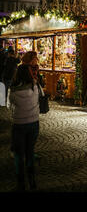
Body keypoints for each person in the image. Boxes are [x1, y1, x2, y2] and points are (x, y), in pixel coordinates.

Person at [9, 52, 41, 191]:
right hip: (34, 122)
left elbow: (10, 104)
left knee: (18, 154)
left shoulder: (13, 91)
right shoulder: (35, 87)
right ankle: (32, 180)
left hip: (19, 123)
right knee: (29, 151)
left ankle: (20, 182)